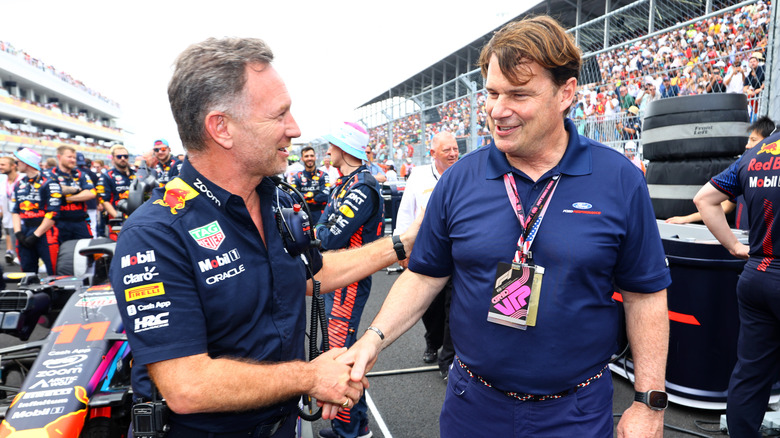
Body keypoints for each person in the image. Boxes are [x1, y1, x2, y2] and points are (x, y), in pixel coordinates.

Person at [334, 15, 671, 437]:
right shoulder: (459, 179)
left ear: (566, 92)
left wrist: (649, 403)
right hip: (473, 406)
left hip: (577, 414)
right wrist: (373, 339)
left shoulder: (619, 178)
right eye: (492, 93)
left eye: (518, 94)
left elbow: (645, 296)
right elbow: (424, 276)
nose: (497, 110)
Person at [110, 37, 418, 438]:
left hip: (283, 426)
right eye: (280, 115)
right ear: (221, 127)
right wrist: (310, 377)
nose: (295, 129)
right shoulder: (154, 234)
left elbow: (311, 271)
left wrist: (402, 244)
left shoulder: (273, 200)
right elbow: (188, 385)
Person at [693, 128, 780, 438]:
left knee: (751, 374)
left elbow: (704, 199)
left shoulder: (755, 155)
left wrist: (734, 247)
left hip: (756, 273)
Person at [315, 122, 385, 438]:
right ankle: (353, 425)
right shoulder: (347, 183)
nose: (327, 151)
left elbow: (327, 235)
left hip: (349, 281)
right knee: (338, 349)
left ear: (343, 149)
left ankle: (352, 430)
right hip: (339, 276)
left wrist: (316, 232)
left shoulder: (362, 188)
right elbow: (318, 226)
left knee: (342, 354)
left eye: (331, 145)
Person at [394, 131, 459, 379]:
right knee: (431, 306)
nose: (453, 154)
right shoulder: (419, 176)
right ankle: (432, 341)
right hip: (428, 251)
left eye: (455, 149)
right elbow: (406, 212)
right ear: (433, 153)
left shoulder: (463, 171)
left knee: (453, 305)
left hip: (456, 251)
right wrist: (401, 247)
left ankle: (449, 358)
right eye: (447, 150)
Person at [666, 115, 776, 228]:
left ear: (771, 141)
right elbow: (725, 206)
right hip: (745, 239)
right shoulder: (742, 171)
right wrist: (686, 219)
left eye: (754, 140)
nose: (747, 146)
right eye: (749, 140)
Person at [11, 148, 61, 275]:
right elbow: (15, 210)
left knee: (53, 272)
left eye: (18, 162)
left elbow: (53, 213)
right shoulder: (20, 184)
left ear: (26, 162)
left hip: (46, 232)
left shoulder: (49, 182)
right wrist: (18, 233)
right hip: (24, 231)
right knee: (27, 273)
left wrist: (36, 235)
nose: (16, 165)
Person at [50, 146, 95, 243]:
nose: (73, 160)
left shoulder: (80, 174)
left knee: (87, 253)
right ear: (59, 157)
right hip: (58, 222)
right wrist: (78, 190)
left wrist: (67, 198)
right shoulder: (50, 174)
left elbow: (91, 193)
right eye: (69, 157)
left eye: (74, 158)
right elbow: (54, 190)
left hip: (80, 221)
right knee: (60, 255)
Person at [290, 146, 330, 224]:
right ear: (302, 159)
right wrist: (314, 194)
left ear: (315, 157)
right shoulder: (297, 177)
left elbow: (325, 196)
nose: (309, 158)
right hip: (302, 215)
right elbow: (293, 196)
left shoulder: (323, 175)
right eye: (306, 156)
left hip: (320, 215)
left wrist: (304, 196)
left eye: (311, 155)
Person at [97, 145, 136, 221]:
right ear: (113, 158)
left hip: (136, 216)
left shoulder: (136, 174)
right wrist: (117, 217)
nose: (123, 158)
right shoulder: (107, 176)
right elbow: (104, 201)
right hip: (118, 218)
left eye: (125, 156)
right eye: (119, 156)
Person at [0, 156, 23, 264]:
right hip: (9, 221)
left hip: (24, 222)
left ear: (13, 166)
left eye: (3, 164)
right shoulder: (2, 183)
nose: (0, 167)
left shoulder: (23, 180)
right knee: (19, 255)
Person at [76, 152, 100, 238]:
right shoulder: (92, 174)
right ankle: (93, 242)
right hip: (90, 203)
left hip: (79, 204)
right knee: (92, 225)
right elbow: (97, 191)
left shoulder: (75, 173)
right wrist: (98, 203)